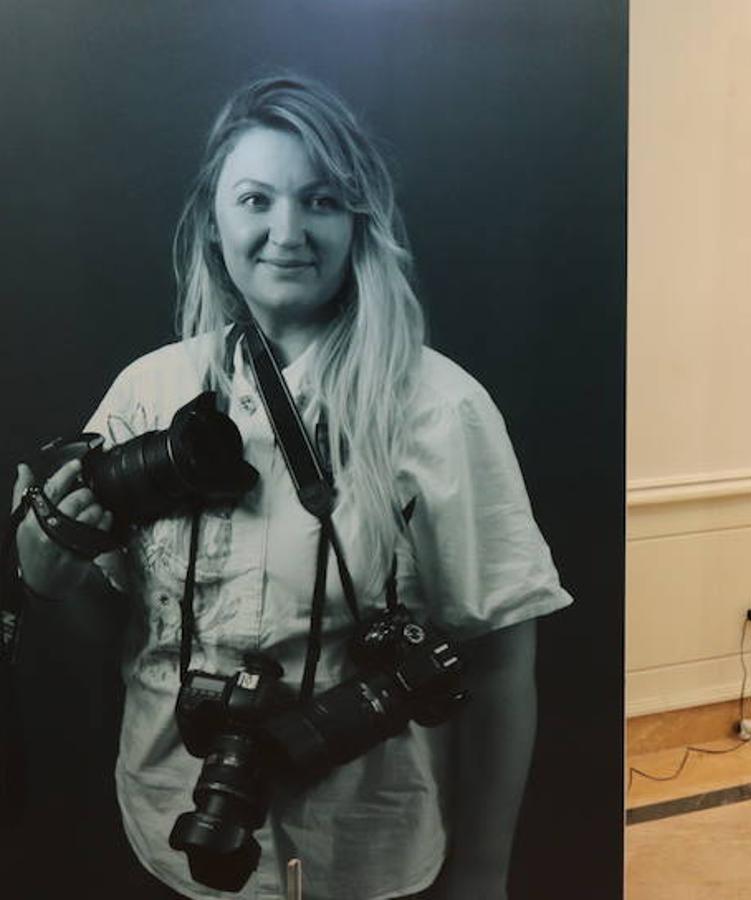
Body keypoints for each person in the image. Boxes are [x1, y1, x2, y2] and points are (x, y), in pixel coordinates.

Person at [10, 75, 571, 898]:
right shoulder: (151, 393)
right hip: (167, 831)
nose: (287, 231)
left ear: (357, 223)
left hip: (367, 851)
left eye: (320, 201)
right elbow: (101, 610)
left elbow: (499, 658)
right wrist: (44, 564)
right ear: (214, 220)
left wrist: (485, 872)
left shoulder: (439, 408)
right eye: (255, 199)